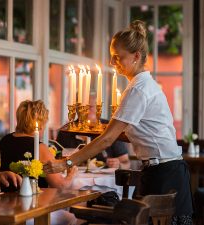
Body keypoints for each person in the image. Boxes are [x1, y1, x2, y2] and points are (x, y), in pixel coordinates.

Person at [44, 20, 193, 225]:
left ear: (136, 56)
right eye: (112, 57)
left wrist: (67, 162)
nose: (113, 63)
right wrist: (98, 133)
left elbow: (108, 140)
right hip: (165, 171)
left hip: (164, 174)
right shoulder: (146, 85)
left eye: (118, 57)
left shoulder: (137, 90)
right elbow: (131, 133)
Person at [0, 100, 77, 189]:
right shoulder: (40, 148)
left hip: (3, 198)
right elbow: (61, 185)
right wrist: (71, 174)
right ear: (41, 124)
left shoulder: (4, 140)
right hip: (33, 200)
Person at [56, 119, 130, 169]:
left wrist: (119, 165)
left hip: (103, 181)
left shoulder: (109, 128)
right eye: (83, 108)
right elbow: (56, 159)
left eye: (91, 107)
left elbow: (126, 163)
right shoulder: (68, 129)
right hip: (73, 177)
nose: (87, 111)